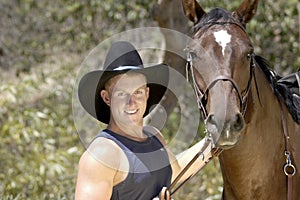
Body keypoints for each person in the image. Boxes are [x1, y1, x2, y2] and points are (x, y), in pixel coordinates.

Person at [75, 41, 212, 200]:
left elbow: (177, 172)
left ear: (147, 94)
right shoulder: (101, 155)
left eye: (138, 92)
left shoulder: (154, 137)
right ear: (107, 98)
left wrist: (212, 142)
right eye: (121, 94)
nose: (131, 102)